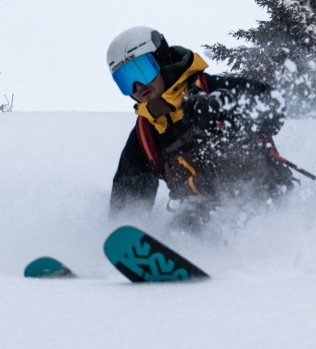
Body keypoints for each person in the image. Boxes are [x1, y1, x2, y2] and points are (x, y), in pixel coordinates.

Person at [107, 26, 293, 230]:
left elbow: (274, 106)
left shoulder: (211, 89)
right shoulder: (145, 137)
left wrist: (228, 108)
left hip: (268, 208)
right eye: (125, 81)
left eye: (141, 71)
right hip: (203, 225)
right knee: (178, 230)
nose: (137, 87)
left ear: (162, 59)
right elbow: (127, 211)